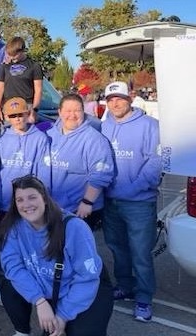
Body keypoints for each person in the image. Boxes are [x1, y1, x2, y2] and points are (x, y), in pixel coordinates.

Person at [0, 175, 113, 336]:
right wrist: (39, 301)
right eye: (20, 200)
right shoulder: (13, 228)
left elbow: (87, 277)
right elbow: (13, 267)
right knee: (8, 285)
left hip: (84, 286)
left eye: (32, 197)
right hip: (49, 287)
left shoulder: (74, 227)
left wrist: (63, 316)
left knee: (82, 331)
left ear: (44, 198)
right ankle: (22, 331)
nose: (26, 205)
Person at [101, 81, 162, 322]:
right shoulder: (103, 126)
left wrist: (131, 189)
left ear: (131, 97)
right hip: (110, 202)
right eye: (110, 99)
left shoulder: (150, 126)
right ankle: (125, 285)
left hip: (139, 203)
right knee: (117, 248)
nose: (115, 103)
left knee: (140, 253)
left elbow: (156, 163)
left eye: (120, 98)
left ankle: (144, 298)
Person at [46, 94, 114, 230]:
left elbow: (101, 174)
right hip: (52, 209)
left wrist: (87, 202)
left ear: (83, 112)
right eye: (68, 111)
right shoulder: (49, 135)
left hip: (79, 210)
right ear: (59, 112)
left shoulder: (94, 139)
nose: (72, 115)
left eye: (77, 110)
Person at [0, 97, 51, 217]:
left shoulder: (40, 138)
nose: (18, 119)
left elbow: (44, 171)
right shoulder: (0, 140)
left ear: (27, 114)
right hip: (5, 201)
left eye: (20, 114)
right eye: (13, 116)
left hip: (30, 201)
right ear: (7, 117)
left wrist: (43, 198)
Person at [0, 37, 43, 124]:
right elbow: (0, 88)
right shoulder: (5, 66)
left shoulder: (34, 66)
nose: (12, 57)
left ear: (22, 50)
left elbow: (38, 90)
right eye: (10, 55)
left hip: (26, 106)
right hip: (8, 106)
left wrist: (34, 109)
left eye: (14, 55)